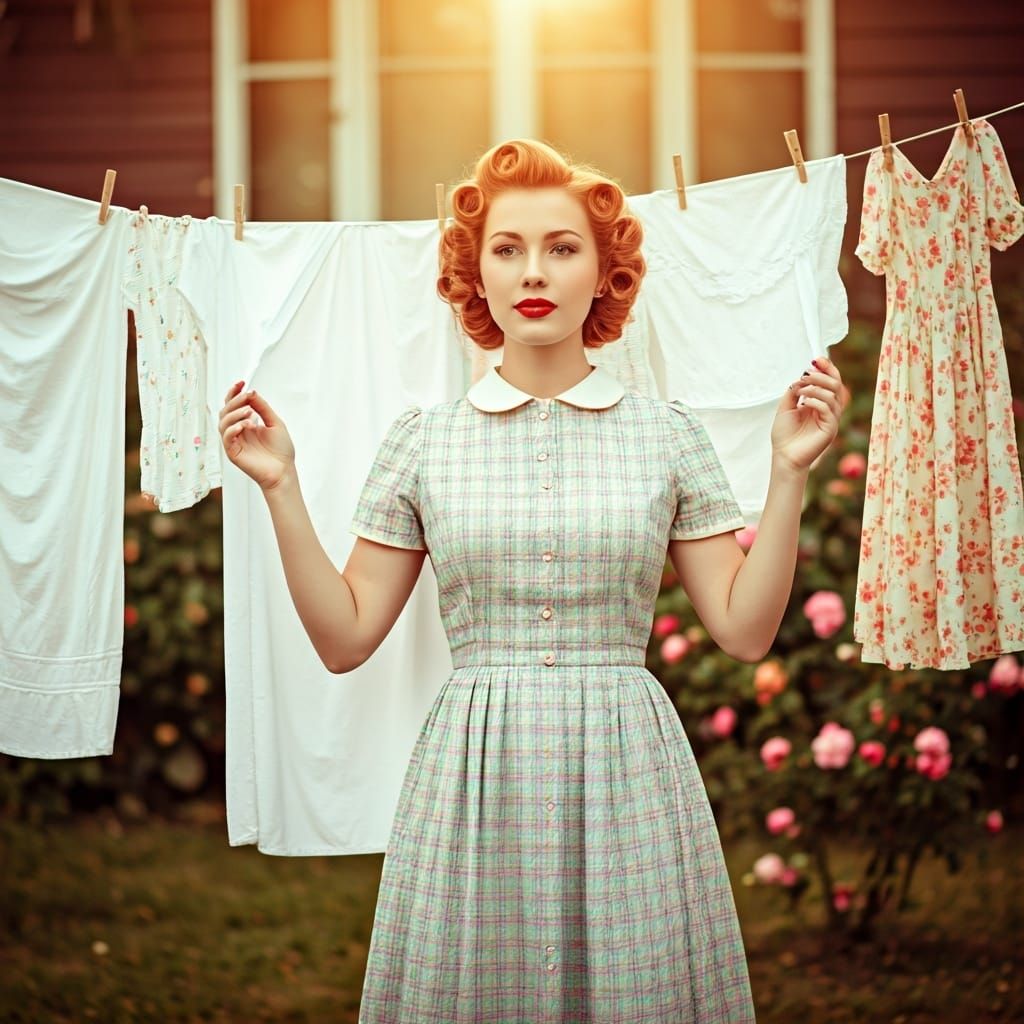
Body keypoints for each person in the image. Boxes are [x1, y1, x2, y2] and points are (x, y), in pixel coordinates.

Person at [218, 139, 843, 1023]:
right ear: (475, 276)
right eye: (506, 249)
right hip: (475, 773)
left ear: (605, 272)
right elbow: (345, 636)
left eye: (562, 246)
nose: (532, 271)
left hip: (628, 768)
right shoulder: (422, 441)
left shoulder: (669, 436)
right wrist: (280, 486)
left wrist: (787, 474)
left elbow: (744, 631)